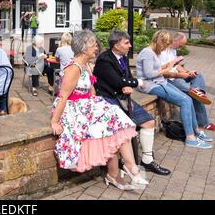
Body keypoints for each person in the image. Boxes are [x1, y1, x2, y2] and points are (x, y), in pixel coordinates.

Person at [51, 30, 148, 190]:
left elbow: (91, 90)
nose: (96, 47)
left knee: (116, 123)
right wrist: (55, 121)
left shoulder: (86, 64)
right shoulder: (74, 68)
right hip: (73, 108)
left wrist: (97, 103)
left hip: (86, 104)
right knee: (115, 121)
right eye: (93, 44)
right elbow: (63, 97)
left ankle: (120, 172)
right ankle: (127, 170)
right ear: (83, 48)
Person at [93, 30, 171, 175]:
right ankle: (122, 162)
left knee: (149, 122)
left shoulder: (123, 58)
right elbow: (117, 81)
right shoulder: (104, 59)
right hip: (107, 99)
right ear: (116, 45)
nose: (130, 45)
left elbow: (125, 77)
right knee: (124, 127)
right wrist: (137, 82)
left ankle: (147, 160)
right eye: (126, 43)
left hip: (122, 97)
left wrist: (127, 84)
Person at [136, 29, 212, 149]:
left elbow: (157, 68)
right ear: (160, 41)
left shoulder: (153, 52)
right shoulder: (147, 52)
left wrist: (170, 64)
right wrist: (169, 67)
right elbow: (149, 74)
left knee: (188, 98)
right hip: (150, 85)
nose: (166, 48)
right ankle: (190, 138)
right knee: (185, 101)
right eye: (165, 45)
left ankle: (196, 131)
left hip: (159, 82)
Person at [158, 32, 214, 131]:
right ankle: (204, 123)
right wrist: (181, 75)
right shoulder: (162, 52)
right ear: (175, 40)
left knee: (198, 75)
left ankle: (197, 91)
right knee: (194, 96)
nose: (181, 47)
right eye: (181, 45)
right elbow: (163, 73)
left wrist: (188, 73)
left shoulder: (173, 50)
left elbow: (177, 65)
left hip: (178, 76)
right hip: (170, 79)